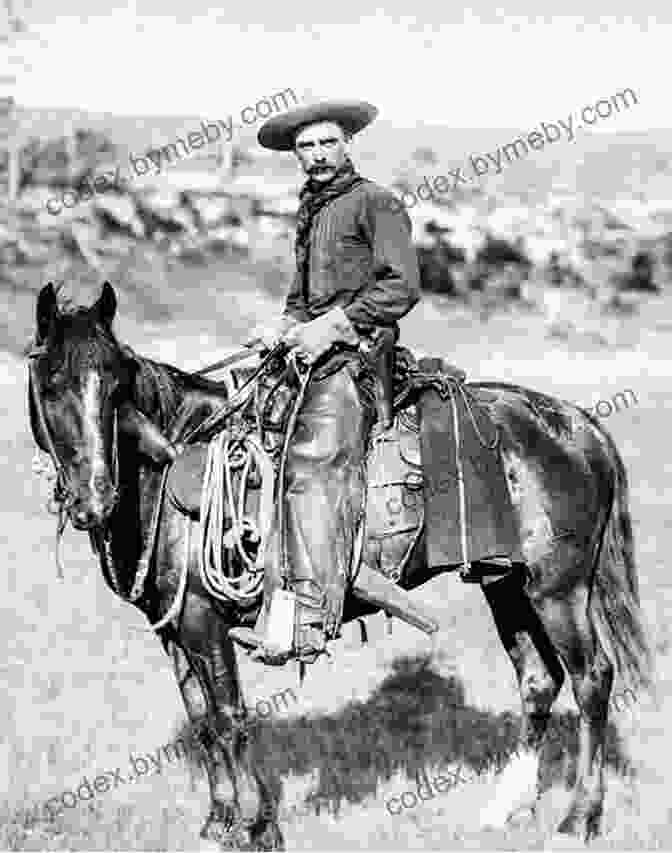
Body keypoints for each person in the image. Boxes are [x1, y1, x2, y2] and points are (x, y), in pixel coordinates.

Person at [229, 100, 421, 665]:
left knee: (309, 465)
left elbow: (401, 288)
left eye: (326, 143)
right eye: (306, 147)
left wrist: (332, 326)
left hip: (360, 357)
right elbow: (300, 301)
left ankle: (309, 619)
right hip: (314, 352)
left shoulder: (376, 202)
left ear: (346, 145)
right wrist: (280, 329)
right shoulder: (312, 210)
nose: (316, 155)